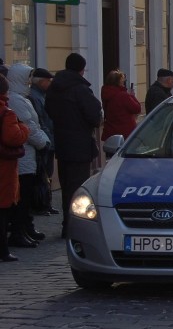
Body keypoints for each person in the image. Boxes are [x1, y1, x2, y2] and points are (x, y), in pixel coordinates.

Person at [45, 53, 103, 238]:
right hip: (79, 144)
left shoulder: (55, 88)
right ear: (81, 69)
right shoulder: (80, 89)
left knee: (66, 186)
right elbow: (94, 114)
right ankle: (75, 226)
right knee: (78, 187)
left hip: (62, 142)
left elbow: (49, 110)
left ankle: (66, 224)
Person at [5, 64, 51, 246]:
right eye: (28, 77)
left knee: (26, 197)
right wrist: (43, 141)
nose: (30, 81)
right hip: (24, 156)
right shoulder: (15, 100)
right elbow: (29, 127)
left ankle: (24, 229)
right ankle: (19, 232)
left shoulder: (22, 98)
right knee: (21, 199)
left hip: (28, 156)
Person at [0, 74, 30, 262]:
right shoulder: (6, 112)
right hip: (4, 167)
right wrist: (24, 129)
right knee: (2, 211)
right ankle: (3, 250)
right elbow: (14, 137)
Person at [28, 68, 59, 215]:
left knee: (47, 173)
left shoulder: (42, 95)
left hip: (49, 138)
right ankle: (41, 203)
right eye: (48, 81)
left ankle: (46, 202)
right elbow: (40, 120)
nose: (50, 84)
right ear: (41, 82)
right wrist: (46, 138)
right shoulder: (35, 97)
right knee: (43, 174)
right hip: (45, 139)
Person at [101, 69, 141, 140]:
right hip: (125, 133)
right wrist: (132, 96)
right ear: (118, 82)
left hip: (110, 131)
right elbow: (137, 109)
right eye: (123, 81)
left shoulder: (106, 92)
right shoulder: (123, 95)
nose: (124, 83)